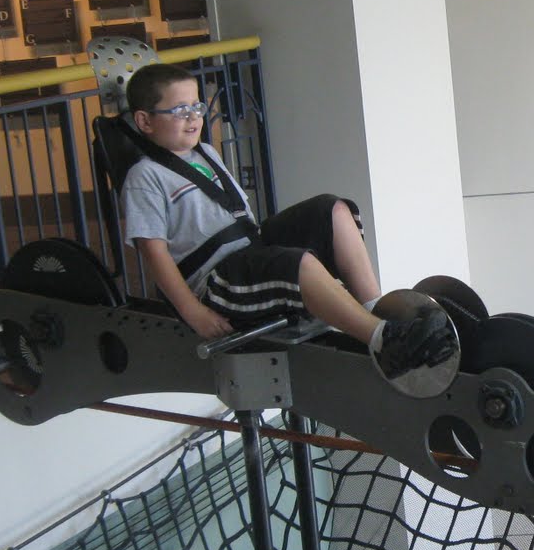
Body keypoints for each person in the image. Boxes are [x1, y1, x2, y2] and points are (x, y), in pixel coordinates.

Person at [119, 62, 454, 380]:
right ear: (145, 121)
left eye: (196, 107)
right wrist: (194, 312)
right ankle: (385, 342)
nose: (193, 117)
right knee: (296, 263)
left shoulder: (207, 153)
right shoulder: (145, 176)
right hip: (217, 282)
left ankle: (375, 310)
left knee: (332, 209)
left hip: (249, 250)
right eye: (180, 110)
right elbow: (154, 253)